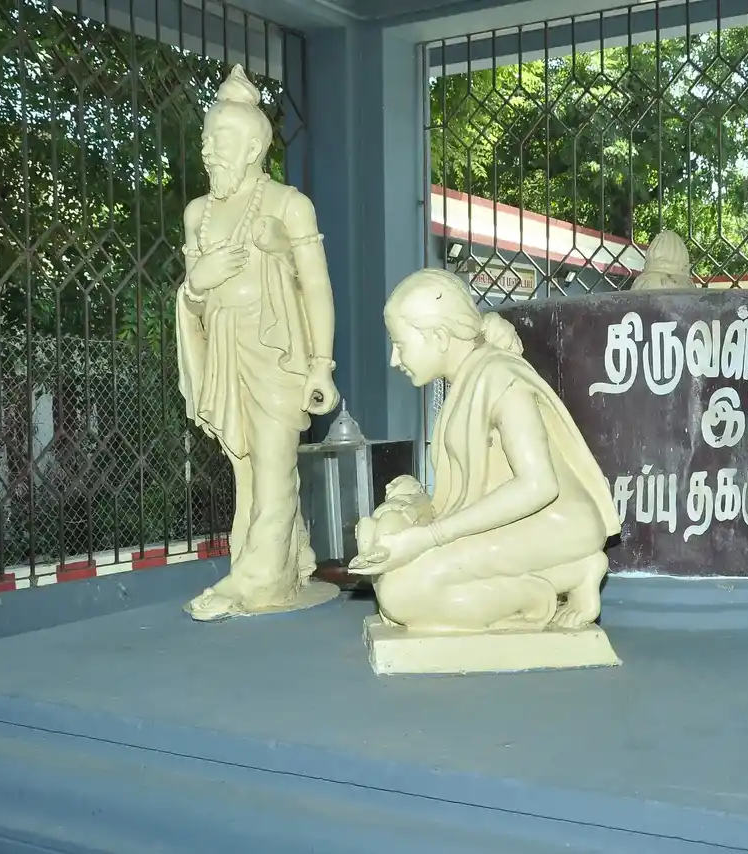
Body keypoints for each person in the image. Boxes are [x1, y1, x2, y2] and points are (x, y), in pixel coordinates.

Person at [348, 269, 620, 632]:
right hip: (513, 522)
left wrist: (430, 537)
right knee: (391, 571)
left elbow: (539, 486)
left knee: (401, 594)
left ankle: (561, 580)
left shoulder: (500, 379)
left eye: (400, 344)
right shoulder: (468, 378)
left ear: (440, 337)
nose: (395, 360)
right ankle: (563, 574)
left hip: (557, 524)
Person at [176, 65, 339, 622]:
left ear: (251, 147)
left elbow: (316, 287)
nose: (208, 151)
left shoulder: (289, 205)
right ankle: (285, 557)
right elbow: (193, 303)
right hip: (224, 350)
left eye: (218, 140)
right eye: (205, 139)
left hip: (278, 353)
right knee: (248, 470)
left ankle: (253, 580)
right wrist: (199, 280)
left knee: (272, 466)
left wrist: (321, 367)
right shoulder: (198, 214)